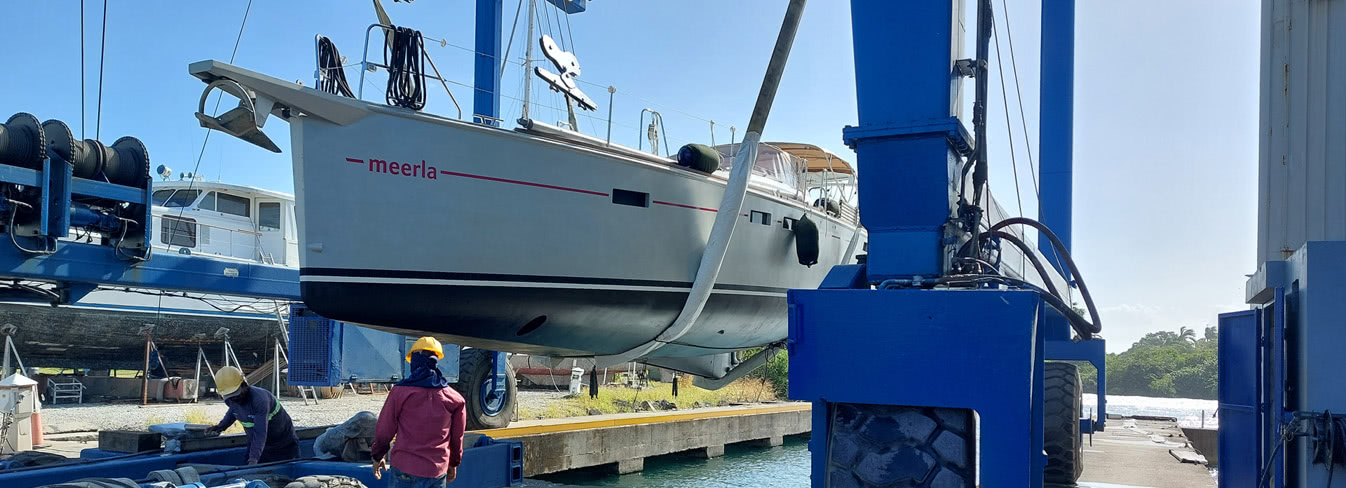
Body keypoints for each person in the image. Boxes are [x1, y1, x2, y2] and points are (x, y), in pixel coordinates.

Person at [372, 337, 468, 487]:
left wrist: (378, 455)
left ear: (414, 361)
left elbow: (385, 429)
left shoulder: (400, 392)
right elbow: (457, 438)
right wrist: (453, 463)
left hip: (404, 468)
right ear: (436, 360)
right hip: (436, 471)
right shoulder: (454, 399)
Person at [206, 366, 299, 465]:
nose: (234, 398)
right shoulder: (231, 399)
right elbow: (233, 411)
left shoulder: (260, 400)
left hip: (283, 445)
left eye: (236, 394)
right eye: (230, 396)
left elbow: (260, 433)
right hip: (257, 445)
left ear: (243, 385)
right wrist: (220, 427)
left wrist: (253, 459)